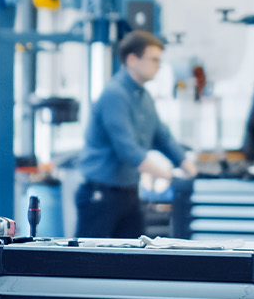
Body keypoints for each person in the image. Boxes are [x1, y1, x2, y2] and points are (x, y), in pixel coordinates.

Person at [76, 30, 195, 239]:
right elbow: (127, 149)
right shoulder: (115, 95)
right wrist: (166, 173)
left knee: (133, 260)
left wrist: (185, 163)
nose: (158, 65)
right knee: (88, 263)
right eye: (154, 59)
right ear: (132, 59)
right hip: (101, 196)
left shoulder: (143, 96)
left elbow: (161, 135)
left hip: (128, 193)